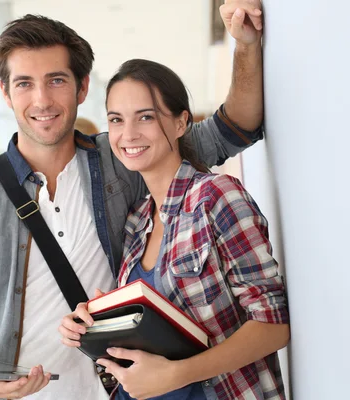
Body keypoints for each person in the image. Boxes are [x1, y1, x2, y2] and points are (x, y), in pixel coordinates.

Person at [0, 1, 266, 398]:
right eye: (24, 84)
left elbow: (232, 128)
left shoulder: (123, 159)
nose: (41, 100)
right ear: (5, 92)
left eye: (56, 80)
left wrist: (244, 43)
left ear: (82, 86)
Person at [59, 57, 290, 399]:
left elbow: (274, 324)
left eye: (146, 117)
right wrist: (93, 322)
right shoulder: (138, 222)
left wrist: (178, 374)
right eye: (116, 120)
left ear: (181, 122)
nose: (129, 134)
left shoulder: (216, 197)